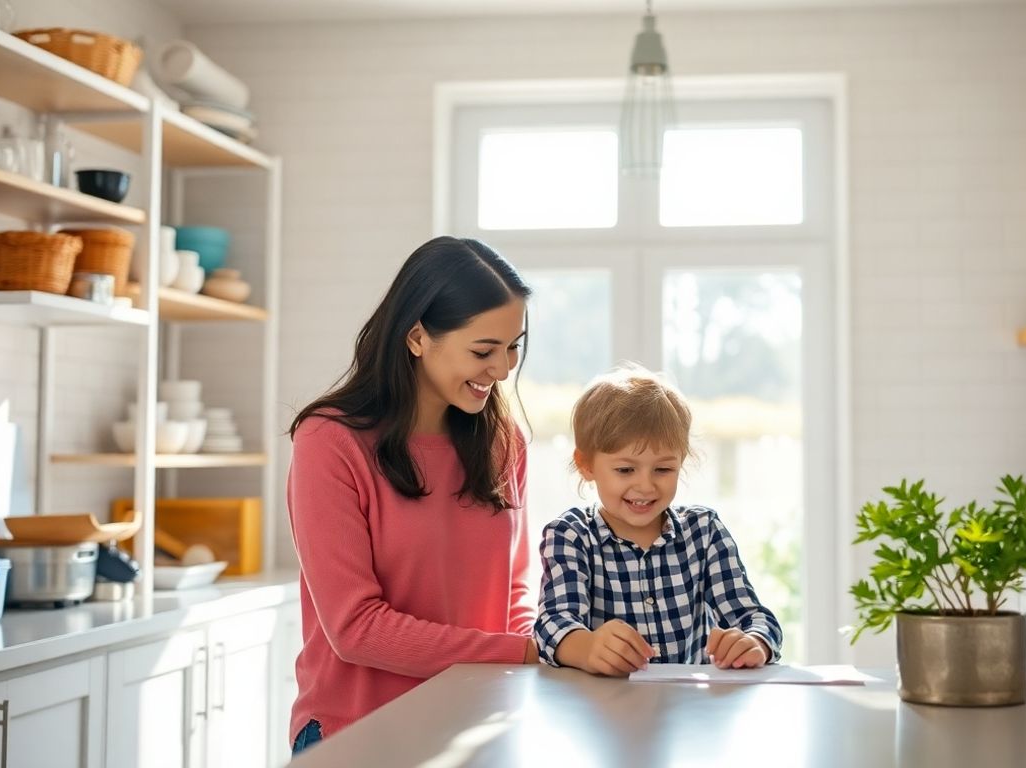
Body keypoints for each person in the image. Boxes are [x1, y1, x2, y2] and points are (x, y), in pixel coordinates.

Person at [286, 236, 536, 755]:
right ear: (418, 337)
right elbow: (356, 628)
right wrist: (529, 652)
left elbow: (512, 591)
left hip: (478, 730)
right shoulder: (330, 442)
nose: (504, 367)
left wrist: (535, 649)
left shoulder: (503, 443)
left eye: (514, 345)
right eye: (484, 350)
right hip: (358, 736)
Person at [534, 364, 783, 677]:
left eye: (663, 470)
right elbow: (553, 624)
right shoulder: (570, 535)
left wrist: (754, 642)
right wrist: (586, 647)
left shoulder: (704, 532)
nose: (645, 486)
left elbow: (754, 617)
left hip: (690, 710)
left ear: (682, 462)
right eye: (625, 470)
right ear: (585, 465)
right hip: (601, 711)